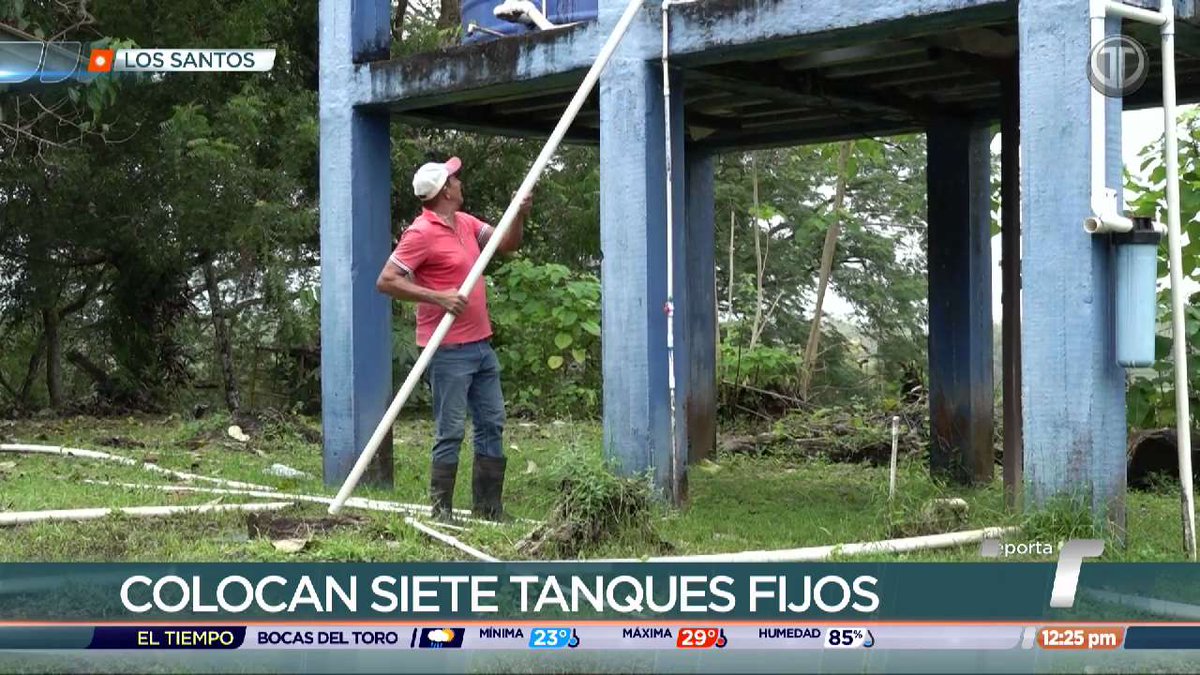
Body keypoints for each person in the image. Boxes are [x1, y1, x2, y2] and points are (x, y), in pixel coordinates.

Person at [376, 156, 529, 522]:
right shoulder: (420, 233)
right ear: (445, 190)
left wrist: (518, 212)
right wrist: (437, 297)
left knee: (492, 422)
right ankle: (441, 510)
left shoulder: (465, 222)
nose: (460, 181)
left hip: (481, 345)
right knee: (451, 430)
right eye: (454, 178)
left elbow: (507, 244)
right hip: (447, 351)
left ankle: (488, 508)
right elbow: (387, 280)